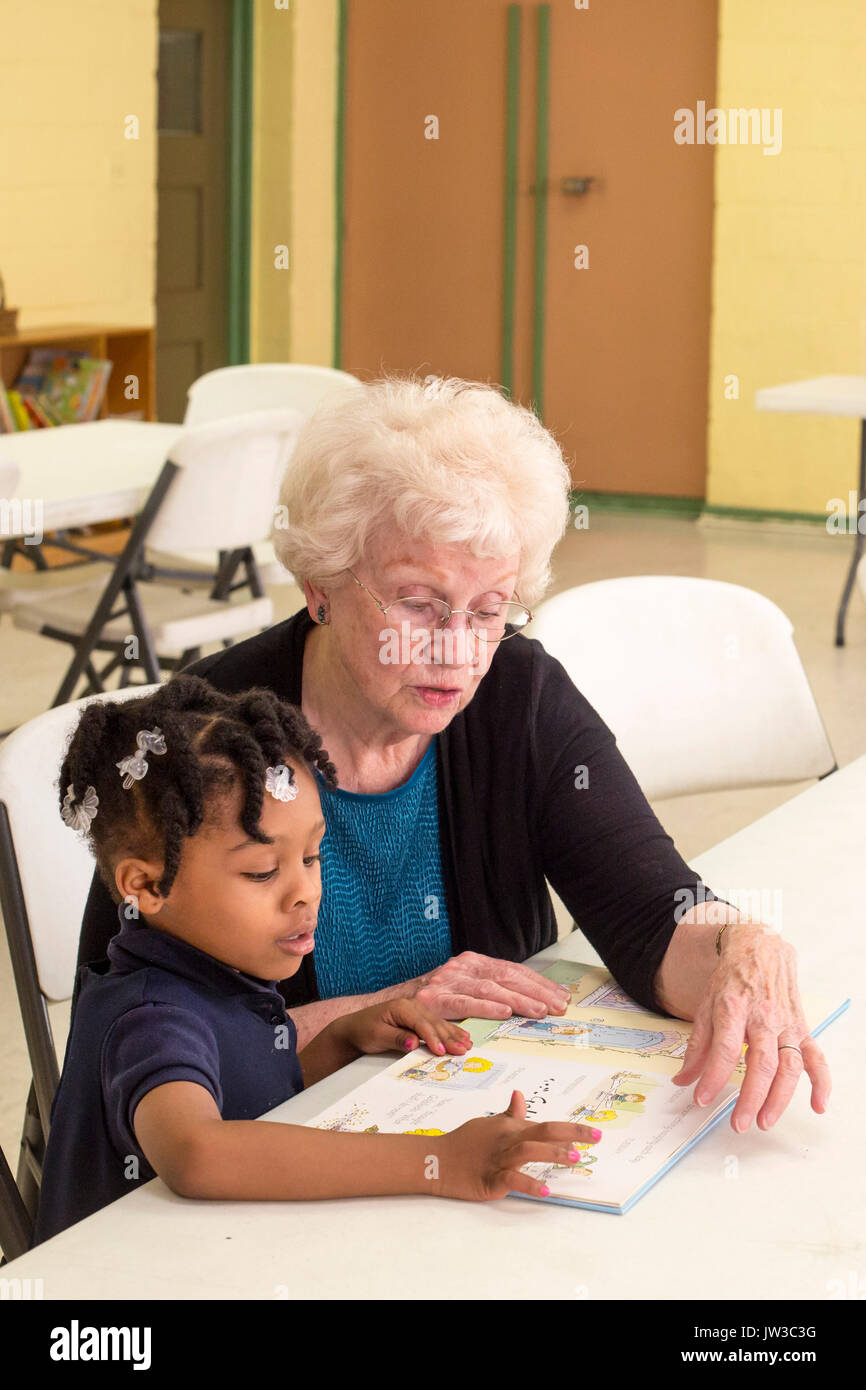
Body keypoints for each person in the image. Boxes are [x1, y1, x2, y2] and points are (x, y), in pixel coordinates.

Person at [76, 373, 830, 1135]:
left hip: (465, 1135)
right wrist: (390, 1006)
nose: (458, 651)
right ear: (321, 586)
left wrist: (741, 945)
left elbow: (652, 917)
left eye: (489, 609)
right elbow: (124, 1043)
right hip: (261, 1163)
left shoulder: (517, 695)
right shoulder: (204, 739)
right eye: (417, 604)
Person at [33, 677, 600, 1245]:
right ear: (148, 885)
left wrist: (340, 1042)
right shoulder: (150, 1017)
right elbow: (199, 1151)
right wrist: (441, 1161)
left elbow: (244, 1094)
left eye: (312, 855)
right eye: (261, 872)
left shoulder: (214, 970)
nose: (305, 892)